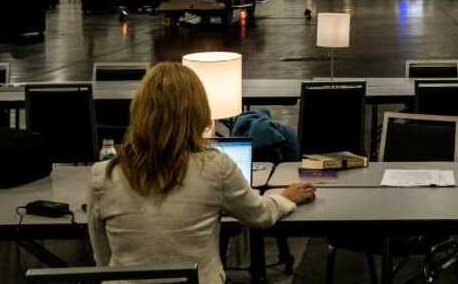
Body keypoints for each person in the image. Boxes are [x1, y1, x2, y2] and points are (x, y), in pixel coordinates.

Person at [88, 63, 315, 283]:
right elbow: (260, 215)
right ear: (199, 112)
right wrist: (284, 198)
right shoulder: (216, 167)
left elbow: (102, 257)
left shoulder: (103, 175)